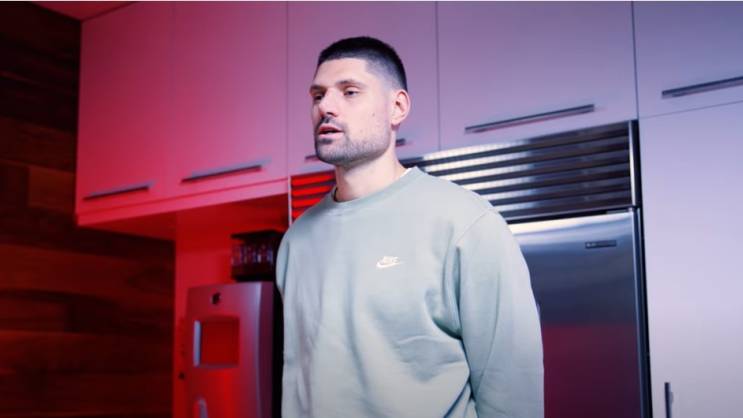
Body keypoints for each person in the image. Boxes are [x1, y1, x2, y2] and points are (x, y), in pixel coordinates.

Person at [275, 36, 543, 418]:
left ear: (397, 107)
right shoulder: (296, 242)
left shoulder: (466, 224)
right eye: (318, 95)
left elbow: (512, 390)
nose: (325, 107)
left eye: (349, 92)